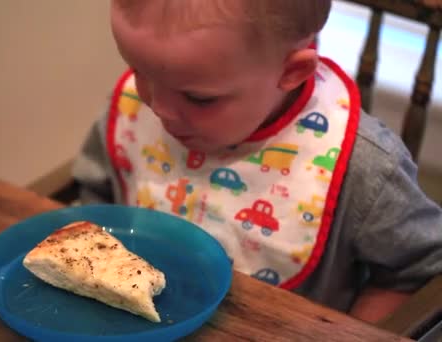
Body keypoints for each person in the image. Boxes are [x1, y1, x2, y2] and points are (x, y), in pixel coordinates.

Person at [72, 0, 442, 323]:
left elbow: (419, 271)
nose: (159, 108)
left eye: (198, 98)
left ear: (291, 72)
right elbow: (93, 201)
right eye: (141, 72)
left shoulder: (365, 166)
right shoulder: (138, 109)